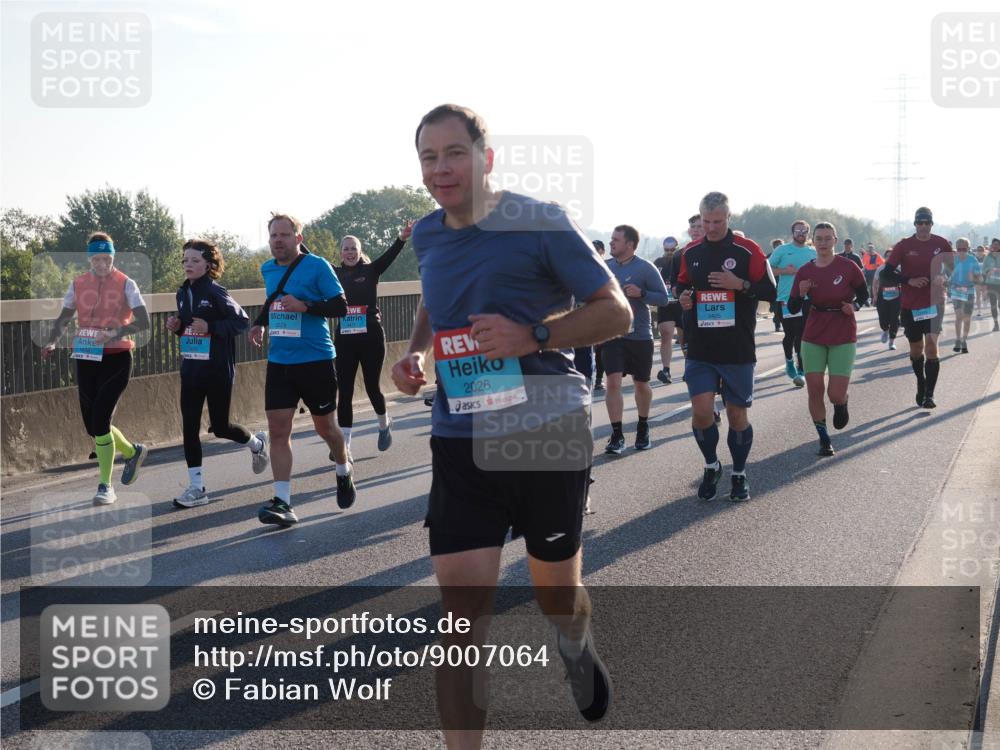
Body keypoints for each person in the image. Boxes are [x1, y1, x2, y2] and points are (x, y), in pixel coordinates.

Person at [391, 104, 629, 746]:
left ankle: (574, 645)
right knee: (461, 623)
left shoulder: (539, 223)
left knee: (557, 595)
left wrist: (534, 335)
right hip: (461, 435)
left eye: (454, 153)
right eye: (428, 157)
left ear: (486, 158)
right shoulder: (428, 234)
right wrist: (414, 351)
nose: (440, 168)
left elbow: (617, 312)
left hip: (544, 433)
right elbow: (433, 303)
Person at [248, 213, 354, 525]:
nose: (277, 241)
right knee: (279, 431)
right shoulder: (267, 268)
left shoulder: (317, 266)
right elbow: (273, 301)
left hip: (316, 359)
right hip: (280, 362)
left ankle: (343, 468)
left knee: (327, 429)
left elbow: (341, 307)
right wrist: (259, 324)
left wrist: (305, 306)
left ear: (298, 237)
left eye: (284, 235)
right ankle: (282, 501)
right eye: (273, 236)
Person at [676, 192, 777, 502]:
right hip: (701, 347)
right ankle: (712, 465)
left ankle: (739, 473)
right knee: (702, 412)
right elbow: (681, 283)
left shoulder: (748, 250)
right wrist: (684, 297)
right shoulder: (691, 251)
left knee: (736, 416)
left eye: (717, 221)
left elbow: (770, 292)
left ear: (728, 218)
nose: (711, 227)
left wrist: (740, 284)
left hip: (737, 347)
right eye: (706, 221)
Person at [41, 232, 149, 505]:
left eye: (107, 258)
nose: (102, 263)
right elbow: (64, 317)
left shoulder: (126, 283)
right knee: (93, 426)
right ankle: (132, 451)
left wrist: (113, 334)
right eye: (97, 258)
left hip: (117, 358)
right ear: (89, 258)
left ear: (113, 257)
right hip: (86, 356)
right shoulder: (78, 284)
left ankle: (105, 485)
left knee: (101, 419)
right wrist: (52, 341)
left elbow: (144, 322)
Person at [166, 239, 268, 508]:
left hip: (217, 369)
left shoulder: (215, 291)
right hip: (191, 368)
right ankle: (197, 488)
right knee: (189, 428)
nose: (188, 264)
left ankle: (256, 444)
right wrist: (177, 326)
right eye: (185, 260)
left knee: (220, 427)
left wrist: (210, 325)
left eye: (195, 261)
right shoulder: (182, 292)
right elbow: (190, 328)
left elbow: (242, 321)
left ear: (208, 266)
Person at [787, 222, 869, 456]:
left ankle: (841, 402)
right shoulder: (805, 271)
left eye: (827, 238)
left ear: (835, 240)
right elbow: (792, 307)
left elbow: (864, 294)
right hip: (814, 332)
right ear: (814, 241)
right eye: (819, 238)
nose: (823, 243)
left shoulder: (849, 266)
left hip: (843, 331)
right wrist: (801, 293)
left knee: (834, 393)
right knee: (814, 389)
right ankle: (824, 439)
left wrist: (853, 305)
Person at [333, 225, 413, 457]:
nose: (349, 252)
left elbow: (390, 255)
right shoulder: (333, 273)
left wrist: (400, 238)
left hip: (371, 337)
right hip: (345, 338)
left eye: (353, 248)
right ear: (340, 253)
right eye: (346, 249)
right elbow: (310, 258)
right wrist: (298, 243)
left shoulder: (371, 270)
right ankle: (345, 445)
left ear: (360, 251)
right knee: (345, 391)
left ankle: (383, 423)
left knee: (371, 386)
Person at [603, 225, 670, 453]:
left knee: (641, 383)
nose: (611, 243)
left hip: (640, 335)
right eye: (611, 239)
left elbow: (663, 299)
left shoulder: (646, 268)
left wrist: (641, 294)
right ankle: (617, 434)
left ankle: (642, 427)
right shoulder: (605, 268)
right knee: (612, 382)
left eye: (616, 240)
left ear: (629, 244)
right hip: (612, 335)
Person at [882, 207, 954, 409]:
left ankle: (929, 395)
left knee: (931, 346)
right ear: (915, 224)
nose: (923, 226)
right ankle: (921, 383)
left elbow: (952, 269)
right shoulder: (904, 245)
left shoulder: (941, 243)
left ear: (932, 224)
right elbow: (887, 273)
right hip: (911, 304)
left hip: (934, 302)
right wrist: (909, 280)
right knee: (916, 349)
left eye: (927, 222)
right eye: (919, 223)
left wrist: (944, 277)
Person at [769, 220, 817, 388]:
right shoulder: (782, 250)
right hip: (786, 299)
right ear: (792, 233)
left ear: (808, 234)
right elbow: (767, 269)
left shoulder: (813, 252)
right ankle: (789, 361)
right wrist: (784, 271)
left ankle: (801, 370)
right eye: (798, 230)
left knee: (803, 335)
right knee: (791, 334)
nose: (801, 233)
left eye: (804, 231)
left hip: (806, 299)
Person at [653, 236, 682, 384]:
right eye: (667, 250)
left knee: (684, 338)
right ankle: (666, 370)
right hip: (666, 304)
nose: (669, 252)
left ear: (677, 248)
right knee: (666, 334)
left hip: (681, 303)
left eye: (672, 250)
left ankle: (691, 367)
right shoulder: (658, 263)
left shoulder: (683, 259)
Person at [947, 238, 982, 353]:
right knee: (959, 316)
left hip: (969, 291)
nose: (961, 251)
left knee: (967, 318)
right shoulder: (953, 260)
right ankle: (957, 339)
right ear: (956, 249)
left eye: (964, 249)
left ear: (968, 248)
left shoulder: (973, 260)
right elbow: (947, 275)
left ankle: (964, 340)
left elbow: (979, 278)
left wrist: (974, 277)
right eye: (959, 248)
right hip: (956, 291)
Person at [871, 262, 902, 350]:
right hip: (882, 297)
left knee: (894, 319)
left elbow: (905, 282)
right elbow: (874, 283)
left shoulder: (899, 268)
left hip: (896, 297)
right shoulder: (881, 268)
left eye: (892, 255)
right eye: (888, 256)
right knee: (882, 317)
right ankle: (885, 330)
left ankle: (891, 342)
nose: (890, 257)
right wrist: (875, 296)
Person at [592, 239, 607, 393]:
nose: (594, 251)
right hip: (586, 313)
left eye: (597, 249)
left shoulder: (609, 267)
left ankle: (599, 379)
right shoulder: (583, 267)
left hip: (603, 315)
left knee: (601, 349)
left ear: (603, 251)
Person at [983, 238, 1000, 332]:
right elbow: (983, 269)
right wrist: (987, 271)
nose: (995, 245)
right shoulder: (987, 257)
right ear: (991, 246)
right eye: (994, 244)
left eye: (997, 244)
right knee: (993, 304)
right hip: (991, 284)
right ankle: (996, 324)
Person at [769, 238, 785, 332]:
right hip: (774, 285)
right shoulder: (769, 257)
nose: (778, 247)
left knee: (784, 306)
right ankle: (777, 324)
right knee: (776, 307)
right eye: (776, 245)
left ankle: (786, 324)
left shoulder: (787, 255)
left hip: (785, 285)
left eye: (780, 245)